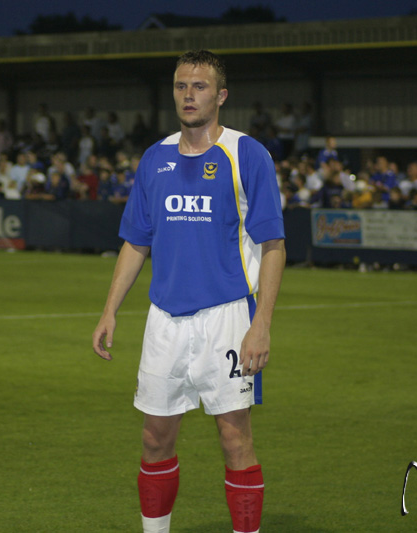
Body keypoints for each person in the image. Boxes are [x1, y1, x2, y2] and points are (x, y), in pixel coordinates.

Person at [92, 49, 285, 533]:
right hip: (164, 319)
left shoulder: (247, 154)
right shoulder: (154, 158)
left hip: (228, 317)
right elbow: (136, 241)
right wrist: (109, 310)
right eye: (181, 86)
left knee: (234, 436)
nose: (188, 95)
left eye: (199, 86)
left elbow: (274, 245)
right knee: (155, 437)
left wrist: (261, 323)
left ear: (220, 95)